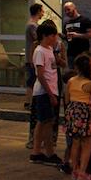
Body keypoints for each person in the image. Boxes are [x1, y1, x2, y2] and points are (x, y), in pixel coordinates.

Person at [64, 55, 91, 180]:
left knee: (75, 143)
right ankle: (82, 173)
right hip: (84, 113)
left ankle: (74, 171)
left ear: (76, 67)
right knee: (87, 144)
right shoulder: (90, 84)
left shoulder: (71, 81)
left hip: (72, 111)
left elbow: (66, 100)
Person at [29, 22, 62, 166]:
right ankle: (47, 152)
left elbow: (56, 66)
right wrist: (50, 94)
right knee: (46, 122)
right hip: (44, 92)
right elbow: (41, 75)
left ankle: (38, 152)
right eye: (52, 35)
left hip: (51, 89)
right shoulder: (40, 51)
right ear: (44, 36)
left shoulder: (49, 49)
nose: (55, 38)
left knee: (45, 121)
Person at [63, 1, 91, 70]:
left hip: (83, 53)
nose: (67, 12)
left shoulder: (85, 20)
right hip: (71, 54)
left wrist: (77, 35)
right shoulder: (66, 23)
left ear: (74, 8)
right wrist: (63, 37)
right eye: (65, 10)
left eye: (68, 9)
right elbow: (67, 38)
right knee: (72, 73)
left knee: (83, 72)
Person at [25, 3, 44, 110]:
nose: (43, 13)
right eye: (42, 11)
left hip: (32, 56)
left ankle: (30, 101)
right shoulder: (32, 25)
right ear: (38, 11)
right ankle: (29, 101)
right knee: (32, 79)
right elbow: (37, 39)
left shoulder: (33, 25)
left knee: (32, 79)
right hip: (32, 57)